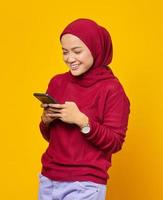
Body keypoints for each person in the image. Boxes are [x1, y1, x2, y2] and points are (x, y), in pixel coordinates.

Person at [37, 18, 131, 200]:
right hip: (49, 179)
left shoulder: (112, 90)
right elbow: (53, 137)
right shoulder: (57, 82)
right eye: (65, 52)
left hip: (85, 184)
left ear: (96, 49)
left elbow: (114, 142)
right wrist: (46, 121)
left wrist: (81, 120)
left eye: (77, 51)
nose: (69, 58)